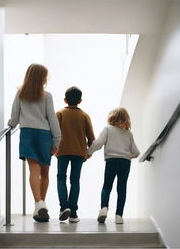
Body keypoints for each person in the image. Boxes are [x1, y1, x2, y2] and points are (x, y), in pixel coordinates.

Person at [8, 63, 61, 222]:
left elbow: (14, 117)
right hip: (44, 135)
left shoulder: (20, 93)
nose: (47, 79)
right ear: (40, 77)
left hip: (27, 134)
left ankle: (39, 204)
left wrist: (10, 126)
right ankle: (40, 205)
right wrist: (57, 141)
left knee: (34, 170)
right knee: (45, 172)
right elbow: (52, 120)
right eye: (45, 75)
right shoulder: (48, 96)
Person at [88, 107, 139, 224]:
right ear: (126, 119)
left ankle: (104, 208)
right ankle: (119, 216)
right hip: (125, 163)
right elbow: (136, 152)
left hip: (111, 161)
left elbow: (98, 144)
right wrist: (127, 156)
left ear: (112, 118)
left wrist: (88, 152)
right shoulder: (128, 134)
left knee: (107, 186)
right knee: (122, 189)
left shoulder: (108, 129)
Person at [56, 86, 95, 223]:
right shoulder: (84, 115)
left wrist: (53, 149)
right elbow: (91, 139)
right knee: (75, 181)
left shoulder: (59, 114)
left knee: (61, 178)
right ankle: (73, 213)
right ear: (80, 100)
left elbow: (54, 134)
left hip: (62, 151)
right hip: (79, 152)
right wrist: (88, 154)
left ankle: (63, 208)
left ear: (65, 100)